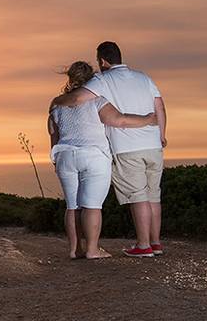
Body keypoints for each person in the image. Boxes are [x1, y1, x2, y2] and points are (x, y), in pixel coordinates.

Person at [52, 42, 167, 258]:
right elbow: (146, 111)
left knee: (77, 205)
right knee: (149, 196)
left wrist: (57, 101)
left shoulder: (87, 89)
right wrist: (157, 128)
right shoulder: (139, 80)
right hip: (138, 147)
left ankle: (80, 250)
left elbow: (61, 120)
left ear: (103, 61)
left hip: (93, 151)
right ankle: (151, 243)